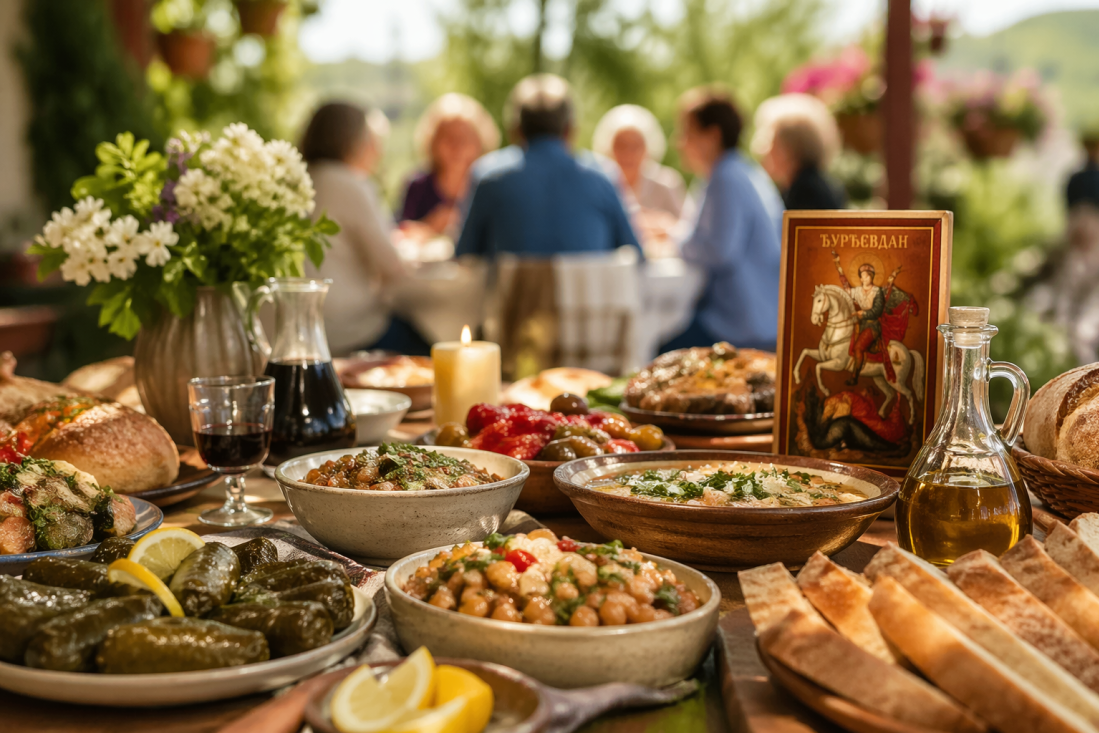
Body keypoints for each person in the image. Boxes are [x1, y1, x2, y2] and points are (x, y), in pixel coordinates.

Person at [455, 74, 639, 258]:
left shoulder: (487, 178)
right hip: (584, 287)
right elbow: (636, 256)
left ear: (516, 131)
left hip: (515, 288)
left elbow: (463, 257)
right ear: (570, 130)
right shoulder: (604, 176)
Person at [661, 86, 785, 352]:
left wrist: (672, 239)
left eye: (688, 132)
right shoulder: (742, 171)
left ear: (713, 135)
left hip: (741, 325)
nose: (679, 142)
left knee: (658, 350)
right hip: (763, 318)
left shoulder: (725, 176)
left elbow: (720, 251)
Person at [300, 102, 428, 356]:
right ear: (353, 141)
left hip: (303, 326)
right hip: (348, 328)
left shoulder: (297, 178)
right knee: (431, 343)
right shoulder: (350, 183)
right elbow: (392, 266)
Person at [400, 93, 500, 239]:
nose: (457, 147)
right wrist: (430, 227)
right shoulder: (417, 186)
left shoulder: (488, 185)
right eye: (448, 138)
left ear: (480, 142)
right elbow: (397, 234)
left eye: (465, 139)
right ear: (432, 141)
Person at [592, 105, 686, 255]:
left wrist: (663, 226)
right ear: (608, 148)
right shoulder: (600, 183)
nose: (628, 154)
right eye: (621, 145)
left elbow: (688, 229)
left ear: (648, 148)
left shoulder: (667, 182)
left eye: (635, 146)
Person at [751, 93, 845, 210]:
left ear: (790, 148)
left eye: (771, 142)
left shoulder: (806, 192)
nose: (763, 150)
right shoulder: (800, 186)